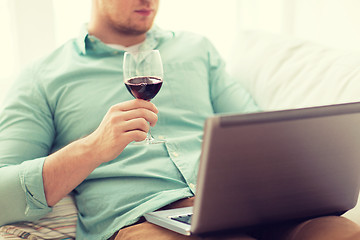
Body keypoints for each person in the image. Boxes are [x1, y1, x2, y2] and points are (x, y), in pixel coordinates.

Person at [0, 0, 359, 239]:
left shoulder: (196, 49)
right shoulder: (42, 76)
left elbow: (259, 130)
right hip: (144, 220)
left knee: (342, 232)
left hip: (241, 206)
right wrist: (93, 148)